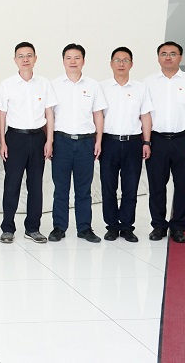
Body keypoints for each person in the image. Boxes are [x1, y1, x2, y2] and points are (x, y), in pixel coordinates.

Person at [144, 41, 185, 243]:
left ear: (180, 57)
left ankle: (179, 227)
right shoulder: (148, 82)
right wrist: (145, 141)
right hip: (157, 140)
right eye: (164, 53)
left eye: (173, 54)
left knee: (182, 185)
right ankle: (158, 226)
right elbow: (144, 114)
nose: (168, 57)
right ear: (158, 58)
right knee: (156, 185)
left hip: (184, 140)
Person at [0, 42, 56, 244]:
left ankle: (33, 228)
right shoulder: (7, 84)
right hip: (15, 139)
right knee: (11, 184)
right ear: (15, 60)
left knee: (35, 185)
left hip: (38, 138)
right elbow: (2, 115)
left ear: (35, 59)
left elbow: (49, 113)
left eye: (29, 55)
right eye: (21, 56)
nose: (25, 59)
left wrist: (49, 140)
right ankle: (7, 228)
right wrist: (2, 142)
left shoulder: (44, 84)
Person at [49, 43, 107, 243]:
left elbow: (98, 115)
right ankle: (59, 227)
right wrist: (50, 141)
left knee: (84, 189)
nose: (73, 61)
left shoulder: (93, 85)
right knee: (61, 188)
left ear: (83, 60)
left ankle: (84, 228)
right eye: (69, 58)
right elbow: (49, 116)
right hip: (61, 142)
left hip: (85, 142)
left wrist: (98, 140)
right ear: (63, 60)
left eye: (77, 58)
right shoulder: (54, 85)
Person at [99, 47, 153, 243]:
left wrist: (146, 142)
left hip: (133, 143)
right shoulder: (101, 88)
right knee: (108, 187)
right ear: (111, 64)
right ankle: (112, 226)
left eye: (125, 60)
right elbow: (97, 117)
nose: (121, 64)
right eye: (117, 60)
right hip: (109, 142)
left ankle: (127, 226)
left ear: (131, 64)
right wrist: (97, 142)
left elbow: (145, 116)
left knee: (130, 187)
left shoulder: (140, 88)